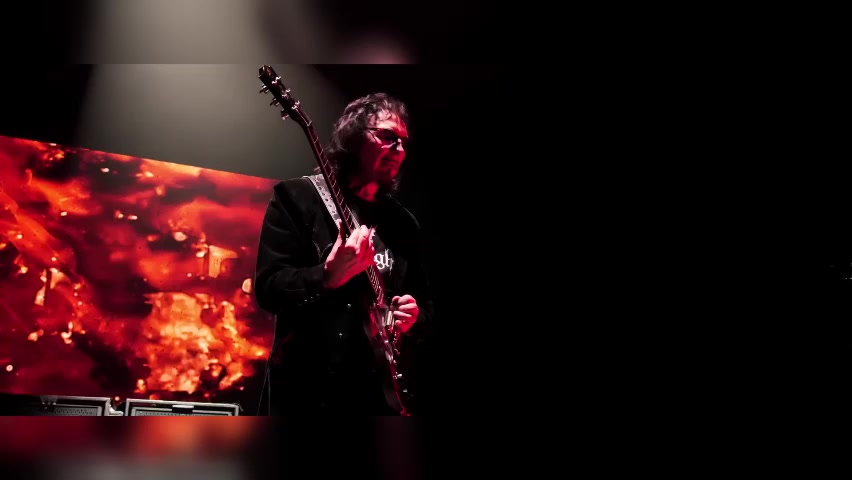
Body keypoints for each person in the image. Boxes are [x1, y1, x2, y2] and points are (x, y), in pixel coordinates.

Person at [253, 92, 433, 415]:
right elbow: (268, 289)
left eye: (404, 142)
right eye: (388, 136)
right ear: (354, 136)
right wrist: (326, 276)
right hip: (309, 393)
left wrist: (414, 318)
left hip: (379, 398)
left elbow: (427, 309)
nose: (400, 150)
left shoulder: (403, 224)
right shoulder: (298, 198)